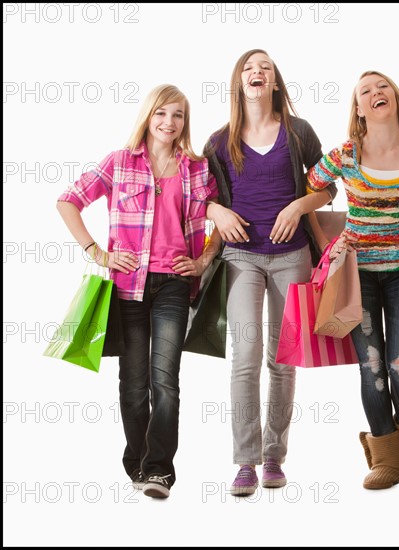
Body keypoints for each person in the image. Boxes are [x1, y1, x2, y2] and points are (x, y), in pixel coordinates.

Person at [56, 84, 220, 499]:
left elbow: (218, 223)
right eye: (162, 113)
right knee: (133, 383)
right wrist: (97, 252)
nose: (169, 122)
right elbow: (67, 201)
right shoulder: (119, 163)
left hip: (174, 285)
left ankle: (160, 470)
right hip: (127, 285)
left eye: (178, 115)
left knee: (165, 380)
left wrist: (201, 261)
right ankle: (137, 463)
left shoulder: (196, 168)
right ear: (148, 116)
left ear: (185, 122)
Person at [306, 70, 399, 490]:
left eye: (382, 86)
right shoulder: (345, 154)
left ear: (395, 98)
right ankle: (384, 452)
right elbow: (312, 190)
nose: (375, 93)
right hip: (357, 275)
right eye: (365, 91)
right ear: (358, 108)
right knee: (372, 367)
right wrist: (324, 243)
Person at [204, 49, 335, 496]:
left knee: (282, 360)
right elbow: (197, 194)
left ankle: (274, 456)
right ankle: (245, 462)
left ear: (275, 82)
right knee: (245, 358)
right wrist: (215, 209)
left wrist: (299, 204)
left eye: (265, 68)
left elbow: (328, 185)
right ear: (239, 82)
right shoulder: (219, 142)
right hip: (240, 257)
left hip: (292, 255)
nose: (256, 72)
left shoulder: (299, 132)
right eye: (248, 67)